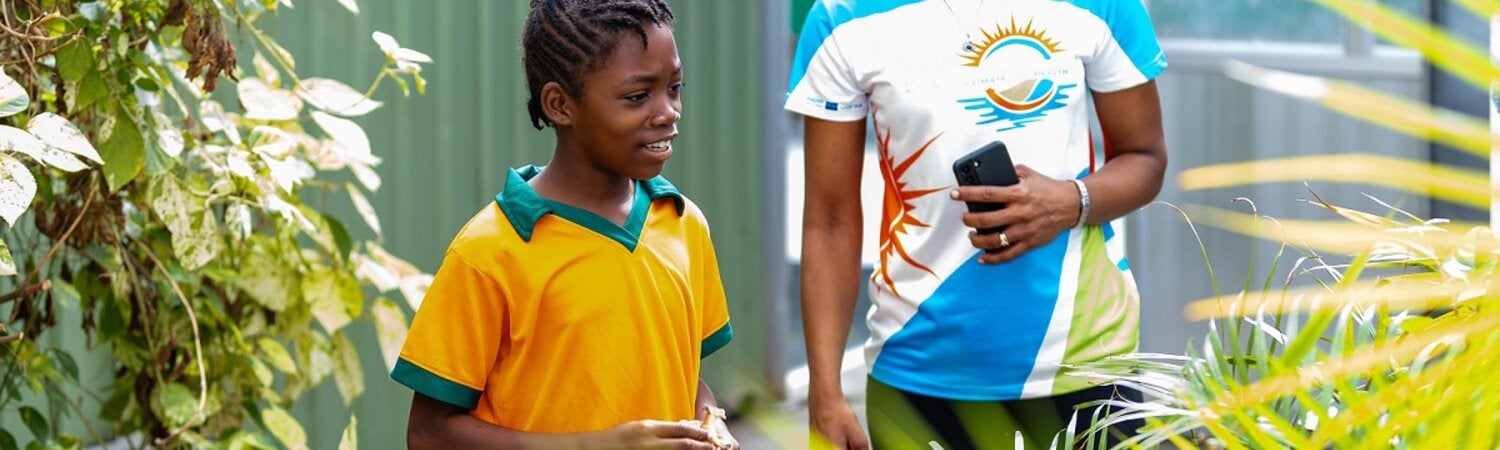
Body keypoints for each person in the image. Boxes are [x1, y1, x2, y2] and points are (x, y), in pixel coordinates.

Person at [787, 0, 1168, 448]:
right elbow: (830, 221)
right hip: (921, 368)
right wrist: (825, 393)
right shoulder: (843, 16)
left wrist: (1070, 201)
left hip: (1088, 362)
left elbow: (1145, 157)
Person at [392, 1, 737, 448]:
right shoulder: (489, 252)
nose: (668, 110)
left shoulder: (683, 222)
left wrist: (709, 420)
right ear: (559, 104)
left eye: (674, 88)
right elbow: (428, 434)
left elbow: (684, 372)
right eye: (637, 96)